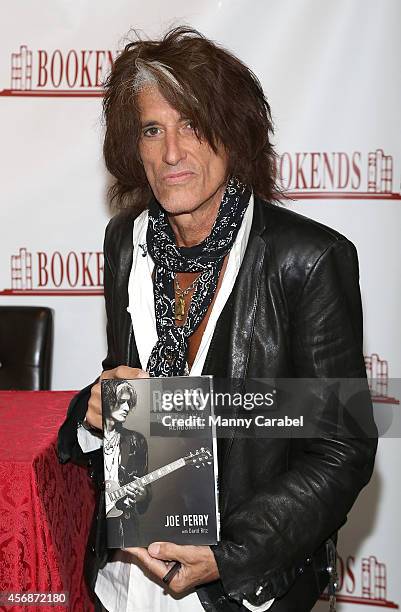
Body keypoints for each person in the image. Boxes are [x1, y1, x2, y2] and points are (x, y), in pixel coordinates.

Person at [57, 26, 377, 612]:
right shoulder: (125, 241)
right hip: (128, 579)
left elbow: (342, 448)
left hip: (237, 588)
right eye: (153, 129)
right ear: (135, 147)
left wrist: (231, 553)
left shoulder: (306, 260)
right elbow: (128, 387)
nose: (172, 152)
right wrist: (92, 408)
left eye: (193, 124)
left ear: (234, 135)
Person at [102, 381, 149, 549]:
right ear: (107, 400)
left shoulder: (136, 441)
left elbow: (145, 493)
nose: (127, 408)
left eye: (129, 403)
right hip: (95, 530)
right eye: (122, 401)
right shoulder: (90, 436)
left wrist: (142, 494)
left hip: (124, 527)